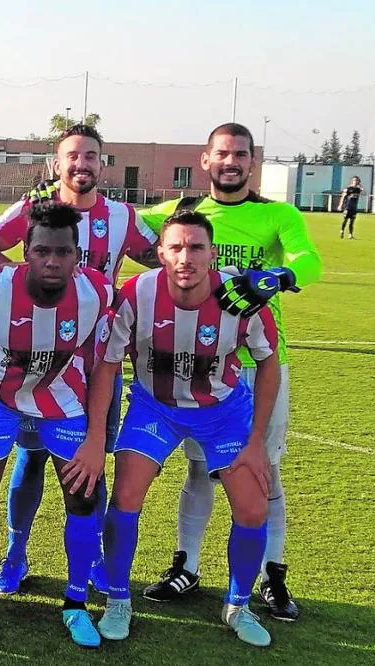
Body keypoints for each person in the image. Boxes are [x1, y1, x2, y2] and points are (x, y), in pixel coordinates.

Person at [132, 123, 320, 622]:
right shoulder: (186, 215)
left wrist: (280, 275)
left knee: (264, 469)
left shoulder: (277, 214)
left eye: (240, 153)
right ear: (205, 160)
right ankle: (187, 566)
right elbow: (122, 222)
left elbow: (310, 259)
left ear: (252, 161)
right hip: (200, 368)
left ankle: (271, 575)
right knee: (198, 468)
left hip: (260, 364)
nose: (231, 161)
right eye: (222, 153)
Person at [93, 210, 281, 648]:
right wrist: (99, 434)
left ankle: (238, 605)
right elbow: (106, 364)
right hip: (154, 406)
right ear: (160, 253)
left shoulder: (239, 297)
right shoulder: (137, 294)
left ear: (213, 254)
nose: (186, 257)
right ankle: (119, 599)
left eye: (196, 247)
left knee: (253, 508)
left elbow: (268, 363)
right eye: (175, 247)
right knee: (125, 496)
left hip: (223, 409)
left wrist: (257, 444)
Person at [0, 124, 159, 595]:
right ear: (56, 164)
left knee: (91, 460)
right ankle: (15, 553)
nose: (80, 164)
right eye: (72, 156)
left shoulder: (123, 217)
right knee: (31, 458)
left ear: (101, 165)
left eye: (90, 156)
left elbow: (162, 262)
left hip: (96, 364)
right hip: (36, 362)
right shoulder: (32, 210)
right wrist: (16, 289)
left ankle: (96, 561)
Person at [0, 201, 112, 649]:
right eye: (41, 251)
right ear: (26, 253)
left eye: (62, 252)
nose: (52, 261)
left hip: (63, 400)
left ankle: (76, 603)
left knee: (82, 497)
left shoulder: (98, 292)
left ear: (79, 256)